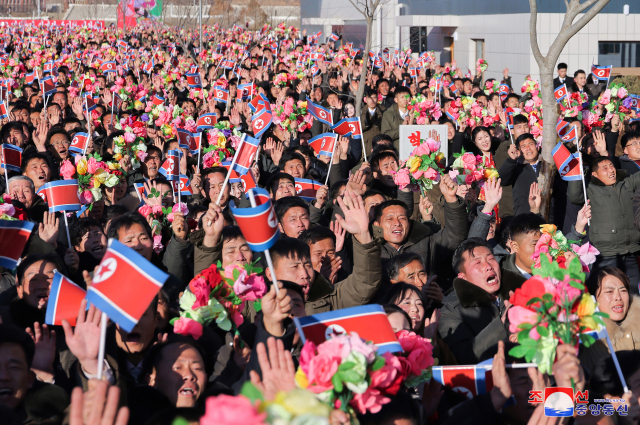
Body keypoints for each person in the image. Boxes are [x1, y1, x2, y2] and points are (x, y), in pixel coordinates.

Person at [439, 238, 525, 364]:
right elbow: (462, 357)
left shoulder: (522, 290)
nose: (488, 267)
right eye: (478, 263)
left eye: (491, 259)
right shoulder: (451, 311)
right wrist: (502, 323)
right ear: (463, 277)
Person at [570, 156, 640, 294]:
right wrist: (577, 171)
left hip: (631, 251)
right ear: (595, 174)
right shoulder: (590, 189)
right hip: (607, 254)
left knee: (633, 296)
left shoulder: (626, 183)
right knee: (611, 293)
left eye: (611, 166)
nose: (611, 170)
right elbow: (574, 196)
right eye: (605, 168)